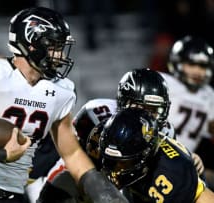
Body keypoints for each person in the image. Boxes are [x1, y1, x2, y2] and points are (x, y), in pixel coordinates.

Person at [0, 7, 127, 203]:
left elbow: (71, 152)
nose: (60, 56)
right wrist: (1, 153)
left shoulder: (62, 90)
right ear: (32, 45)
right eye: (55, 47)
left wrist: (101, 190)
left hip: (12, 194)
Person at [30, 68, 204, 202]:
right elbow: (71, 156)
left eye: (153, 110)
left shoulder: (165, 131)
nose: (146, 117)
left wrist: (188, 158)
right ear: (122, 102)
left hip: (126, 187)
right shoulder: (95, 114)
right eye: (140, 107)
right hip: (84, 179)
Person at [39, 108, 214, 202]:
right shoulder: (97, 137)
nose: (112, 170)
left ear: (144, 157)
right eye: (109, 160)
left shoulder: (172, 171)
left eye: (122, 163)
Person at [162, 35, 214, 189]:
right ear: (177, 63)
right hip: (155, 155)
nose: (198, 71)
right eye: (191, 64)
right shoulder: (165, 84)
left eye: (203, 66)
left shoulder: (209, 95)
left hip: (186, 162)